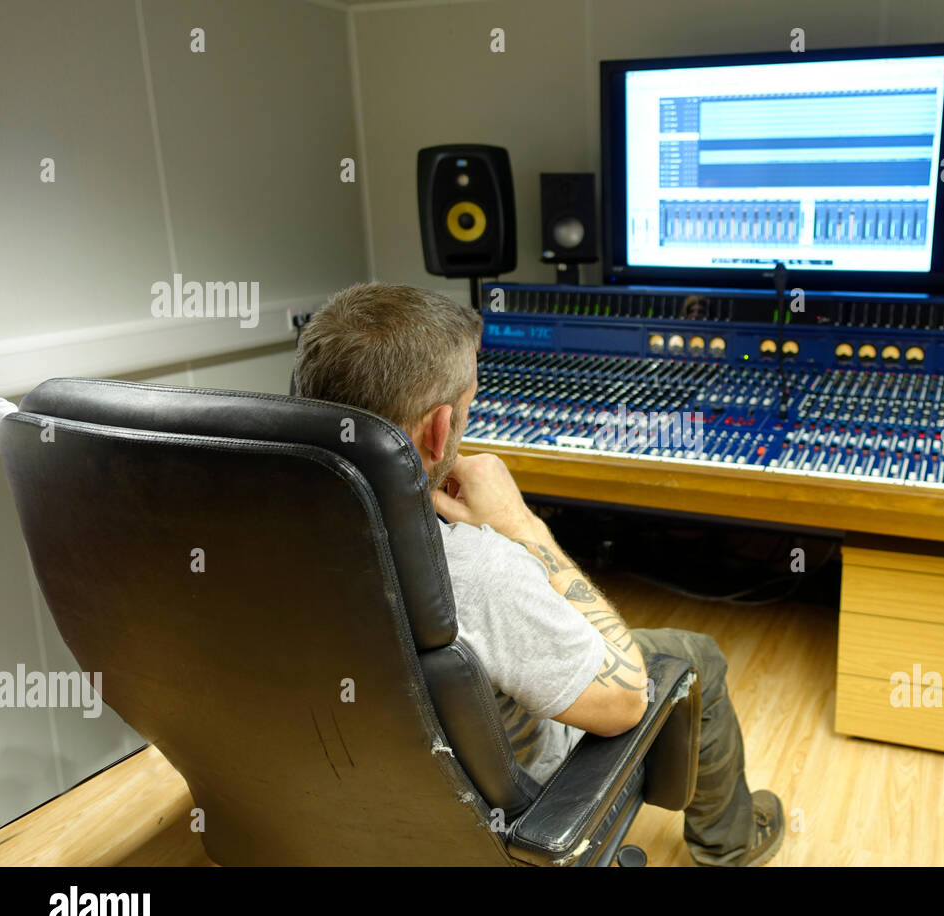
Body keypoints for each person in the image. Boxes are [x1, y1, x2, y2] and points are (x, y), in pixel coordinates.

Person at [292, 282, 783, 866]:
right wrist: (523, 526)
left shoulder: (229, 526)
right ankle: (731, 846)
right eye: (472, 400)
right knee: (694, 654)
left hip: (329, 788)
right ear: (439, 430)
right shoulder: (478, 568)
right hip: (511, 794)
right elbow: (626, 701)